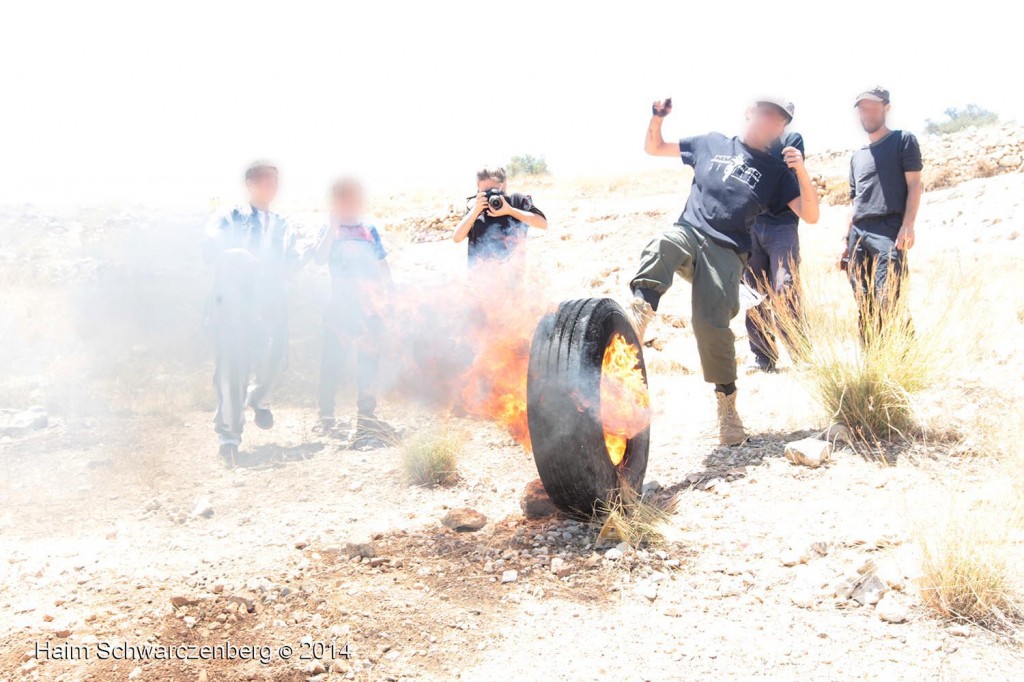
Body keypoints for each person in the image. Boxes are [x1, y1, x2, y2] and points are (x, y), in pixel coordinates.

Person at [626, 98, 820, 445]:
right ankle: (638, 316)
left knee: (711, 325)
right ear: (749, 112)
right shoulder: (710, 143)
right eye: (765, 114)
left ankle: (727, 408)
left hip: (728, 252)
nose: (769, 123)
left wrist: (800, 171)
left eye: (778, 121)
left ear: (783, 129)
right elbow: (654, 147)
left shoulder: (776, 172)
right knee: (664, 243)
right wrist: (657, 118)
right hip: (690, 231)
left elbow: (810, 214)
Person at [203, 161, 298, 466]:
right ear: (250, 184)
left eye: (276, 181)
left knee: (278, 357)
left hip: (270, 302)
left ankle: (258, 398)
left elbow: (293, 260)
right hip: (233, 303)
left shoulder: (284, 224)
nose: (273, 186)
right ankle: (229, 437)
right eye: (266, 180)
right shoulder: (230, 217)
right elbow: (211, 245)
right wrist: (237, 255)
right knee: (232, 368)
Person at [311, 177, 394, 445]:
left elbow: (382, 265)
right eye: (346, 198)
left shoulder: (369, 229)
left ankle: (366, 416)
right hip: (341, 308)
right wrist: (333, 227)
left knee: (369, 362)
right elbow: (319, 259)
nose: (353, 204)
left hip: (370, 309)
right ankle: (325, 418)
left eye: (356, 198)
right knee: (332, 363)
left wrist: (391, 296)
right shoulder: (329, 229)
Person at [842, 86, 923, 337]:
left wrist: (908, 224)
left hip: (889, 228)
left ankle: (904, 358)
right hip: (858, 234)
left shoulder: (902, 140)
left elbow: (915, 184)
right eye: (862, 107)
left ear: (886, 108)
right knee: (864, 302)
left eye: (872, 106)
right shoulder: (858, 156)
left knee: (888, 296)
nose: (867, 112)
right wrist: (846, 242)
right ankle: (873, 360)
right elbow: (855, 202)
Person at [743, 130, 806, 373]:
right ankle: (762, 356)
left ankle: (801, 353)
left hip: (783, 225)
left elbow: (781, 175)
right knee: (752, 290)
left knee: (785, 287)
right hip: (752, 225)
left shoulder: (792, 140)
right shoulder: (748, 141)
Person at [452, 166, 547, 268]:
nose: (491, 196)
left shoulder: (516, 201)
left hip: (512, 276)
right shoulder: (476, 208)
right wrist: (475, 211)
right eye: (486, 192)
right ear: (478, 188)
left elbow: (543, 224)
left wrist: (510, 211)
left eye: (494, 191)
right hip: (479, 279)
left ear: (504, 184)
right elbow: (457, 238)